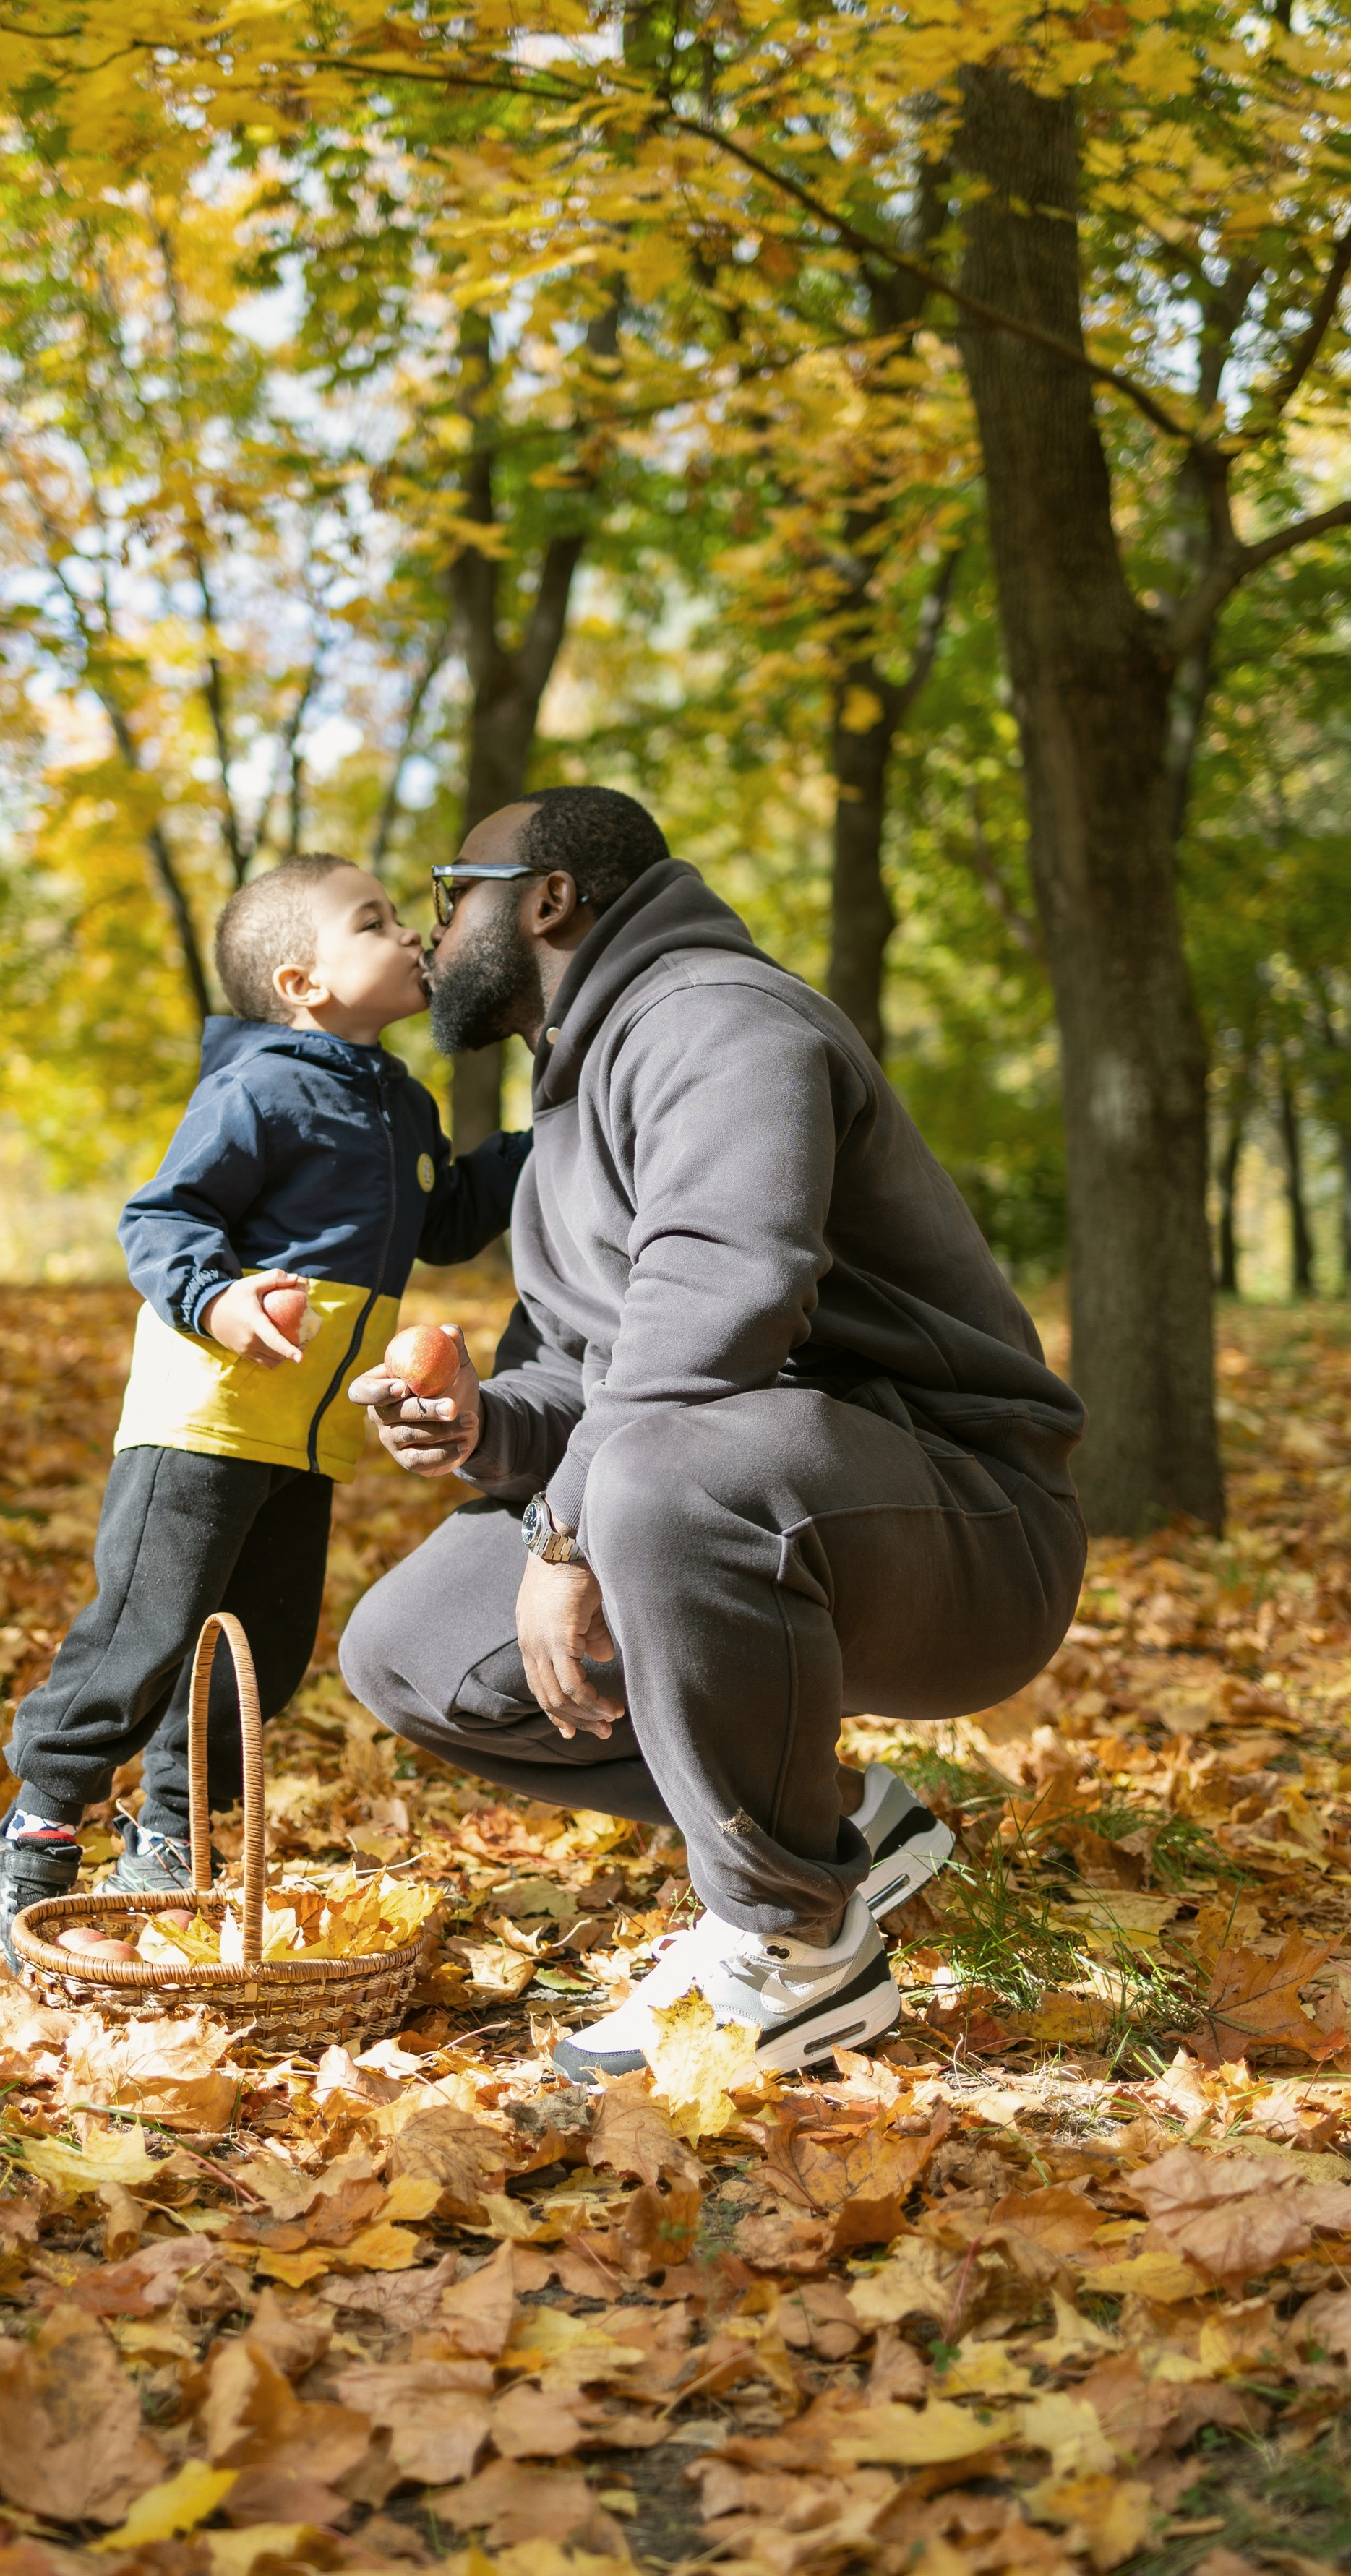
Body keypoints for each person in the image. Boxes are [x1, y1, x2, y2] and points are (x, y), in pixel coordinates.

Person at [340, 787, 1086, 2079]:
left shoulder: (714, 1017)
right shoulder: (572, 1096)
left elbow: (725, 1298)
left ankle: (795, 1943)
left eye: (451, 892)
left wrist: (568, 1536)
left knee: (655, 1476)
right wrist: (478, 1429)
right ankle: (834, 1823)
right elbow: (581, 1386)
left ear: (548, 898)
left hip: (971, 1527)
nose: (433, 928)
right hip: (763, 1491)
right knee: (411, 1652)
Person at [0, 855, 528, 1959]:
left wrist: (553, 1132)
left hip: (304, 1442)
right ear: (304, 982)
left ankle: (171, 1845)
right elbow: (163, 1218)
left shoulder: (401, 1103)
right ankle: (32, 1835)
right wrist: (216, 1300)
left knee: (258, 1653)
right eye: (373, 922)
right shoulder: (261, 1087)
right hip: (206, 1419)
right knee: (144, 1638)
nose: (410, 933)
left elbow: (448, 1218)